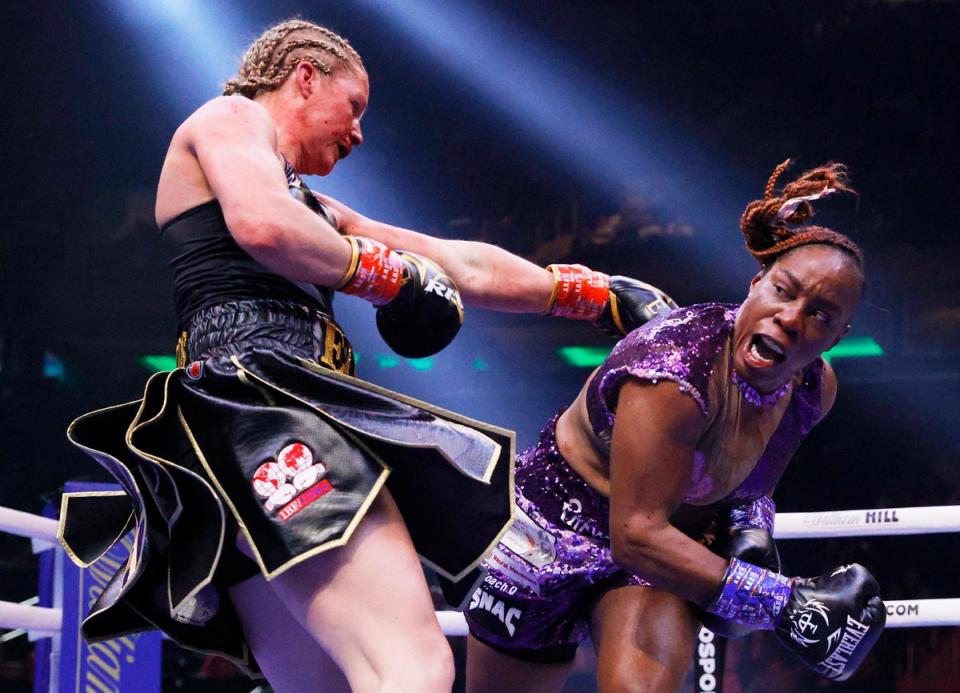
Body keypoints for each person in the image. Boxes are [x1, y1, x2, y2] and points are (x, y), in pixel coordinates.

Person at [55, 18, 674, 693]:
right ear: (305, 76)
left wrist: (590, 292)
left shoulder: (317, 207)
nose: (358, 134)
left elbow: (453, 262)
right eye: (354, 108)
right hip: (258, 409)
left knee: (328, 685)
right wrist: (387, 276)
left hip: (239, 440)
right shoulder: (229, 117)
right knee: (414, 666)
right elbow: (263, 226)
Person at [464, 160, 886, 691]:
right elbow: (634, 534)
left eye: (821, 314)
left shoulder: (811, 390)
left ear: (838, 336)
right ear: (755, 284)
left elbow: (744, 485)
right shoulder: (674, 371)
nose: (793, 317)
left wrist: (749, 531)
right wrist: (779, 601)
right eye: (784, 291)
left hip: (662, 548)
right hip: (551, 531)